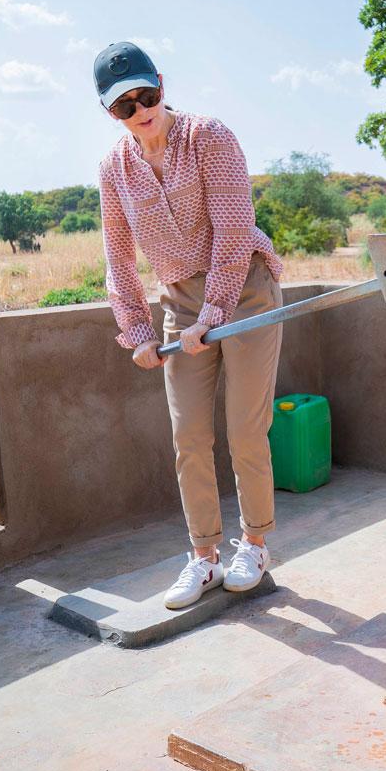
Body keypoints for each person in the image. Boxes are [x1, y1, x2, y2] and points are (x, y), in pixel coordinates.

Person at [94, 41, 285, 610]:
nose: (140, 110)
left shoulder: (209, 136)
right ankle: (203, 557)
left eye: (147, 95)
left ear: (160, 84)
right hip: (178, 299)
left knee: (245, 430)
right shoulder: (114, 168)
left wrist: (216, 313)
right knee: (189, 436)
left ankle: (253, 545)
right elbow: (119, 257)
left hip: (244, 289)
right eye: (124, 106)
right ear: (109, 113)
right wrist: (137, 332)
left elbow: (232, 230)